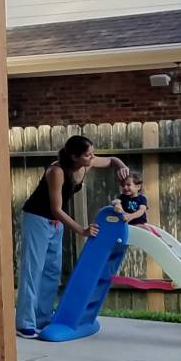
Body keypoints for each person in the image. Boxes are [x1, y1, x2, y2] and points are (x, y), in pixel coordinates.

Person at [16, 135, 129, 338]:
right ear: (74, 156)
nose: (92, 157)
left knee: (52, 270)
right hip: (38, 218)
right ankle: (25, 323)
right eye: (88, 155)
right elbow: (56, 208)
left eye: (92, 153)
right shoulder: (56, 171)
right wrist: (82, 230)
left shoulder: (86, 164)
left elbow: (111, 160)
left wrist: (120, 165)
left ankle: (42, 318)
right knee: (34, 270)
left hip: (55, 221)